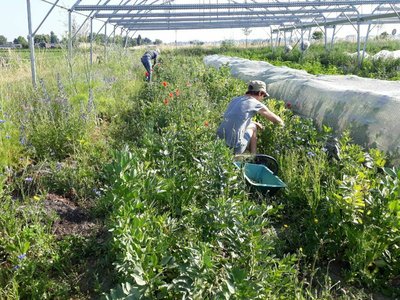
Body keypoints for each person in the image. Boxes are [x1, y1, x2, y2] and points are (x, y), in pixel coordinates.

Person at [217, 80, 284, 155]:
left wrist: (252, 122)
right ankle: (253, 156)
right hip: (234, 148)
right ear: (260, 93)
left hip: (218, 144)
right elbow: (278, 121)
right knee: (254, 127)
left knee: (252, 125)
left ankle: (247, 152)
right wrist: (284, 127)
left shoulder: (235, 99)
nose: (263, 98)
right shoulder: (255, 103)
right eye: (263, 96)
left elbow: (236, 118)